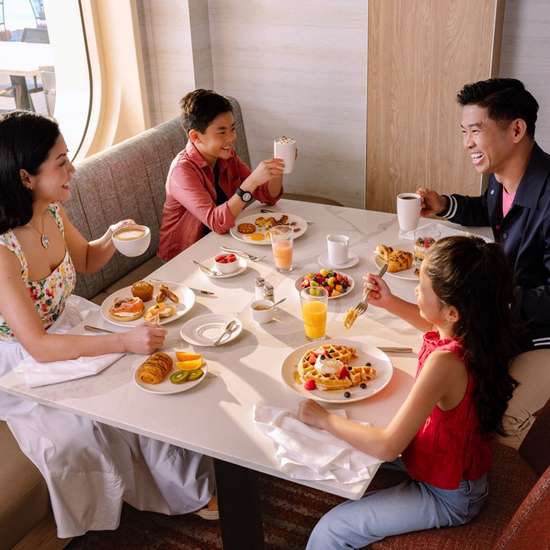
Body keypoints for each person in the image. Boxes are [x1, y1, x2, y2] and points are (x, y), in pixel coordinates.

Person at [0, 111, 215, 538]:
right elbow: (39, 346)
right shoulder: (4, 253)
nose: (72, 169)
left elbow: (85, 259)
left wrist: (113, 236)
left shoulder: (52, 212)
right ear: (26, 177)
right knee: (91, 419)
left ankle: (191, 482)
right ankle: (182, 493)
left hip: (68, 324)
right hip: (23, 357)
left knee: (153, 367)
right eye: (61, 162)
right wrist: (122, 341)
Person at [300, 236, 519, 549]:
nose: (416, 292)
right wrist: (389, 302)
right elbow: (433, 326)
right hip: (441, 460)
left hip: (449, 495)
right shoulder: (477, 333)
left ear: (452, 312)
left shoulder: (446, 363)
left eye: (422, 288)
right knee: (343, 447)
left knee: (332, 529)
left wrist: (324, 419)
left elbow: (388, 447)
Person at [417, 78, 550, 448]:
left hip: (541, 328)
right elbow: (489, 210)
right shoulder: (501, 179)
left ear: (516, 130)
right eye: (465, 132)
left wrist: (491, 298)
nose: (467, 143)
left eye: (476, 131)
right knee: (432, 340)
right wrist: (445, 205)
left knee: (498, 419)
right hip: (509, 308)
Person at [158, 89, 285, 261]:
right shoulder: (182, 171)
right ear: (195, 136)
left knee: (283, 246)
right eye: (222, 132)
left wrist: (277, 168)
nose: (231, 138)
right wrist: (251, 182)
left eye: (233, 129)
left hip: (222, 243)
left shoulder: (226, 156)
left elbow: (268, 196)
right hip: (185, 258)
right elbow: (216, 222)